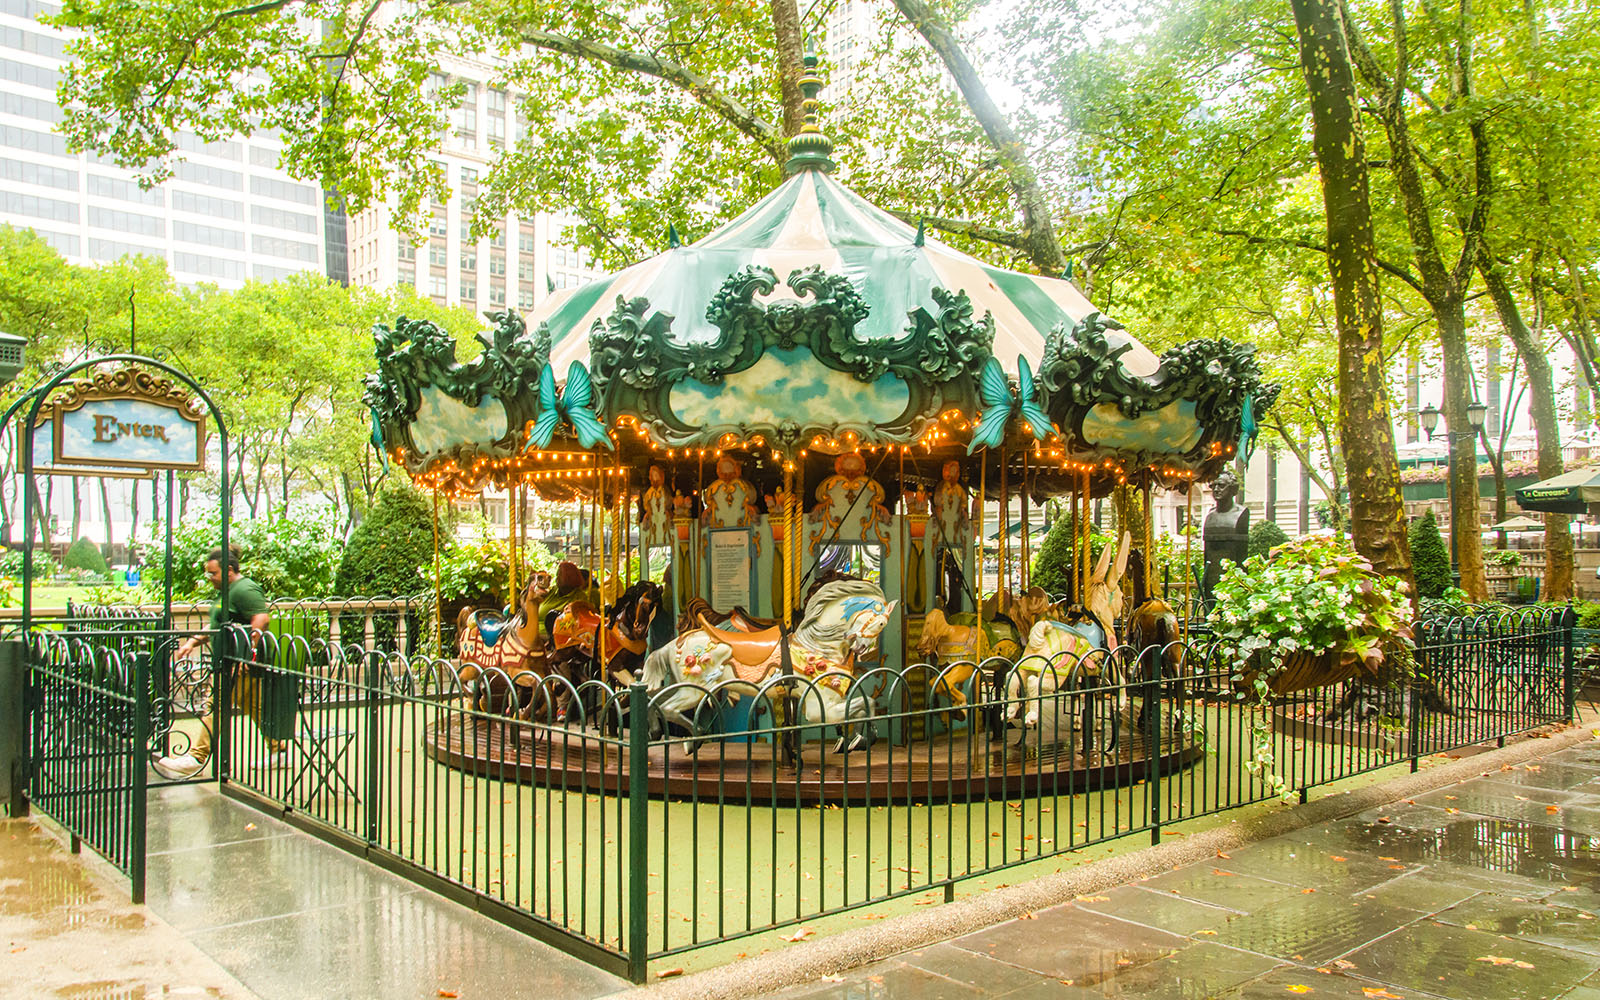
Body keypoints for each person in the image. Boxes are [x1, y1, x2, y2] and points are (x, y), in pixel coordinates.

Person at [154, 547, 275, 778]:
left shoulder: (244, 589)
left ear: (229, 570)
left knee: (216, 705)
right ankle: (279, 749)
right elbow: (217, 626)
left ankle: (196, 757)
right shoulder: (226, 591)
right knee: (255, 708)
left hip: (240, 665)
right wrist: (192, 642)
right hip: (229, 662)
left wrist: (249, 654)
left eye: (213, 573)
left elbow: (261, 619)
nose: (210, 578)